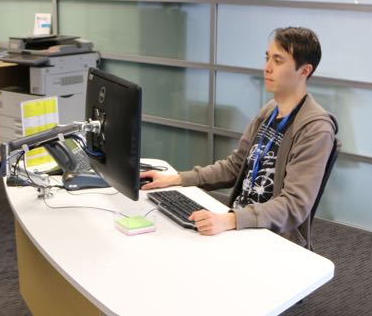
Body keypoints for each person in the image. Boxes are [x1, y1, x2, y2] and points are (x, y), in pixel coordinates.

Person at [141, 26, 336, 246]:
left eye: (278, 61)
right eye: (267, 58)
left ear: (304, 71)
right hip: (239, 223)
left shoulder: (315, 129)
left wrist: (230, 220)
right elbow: (234, 166)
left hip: (272, 238)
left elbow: (294, 205)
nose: (267, 68)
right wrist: (177, 179)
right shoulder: (270, 111)